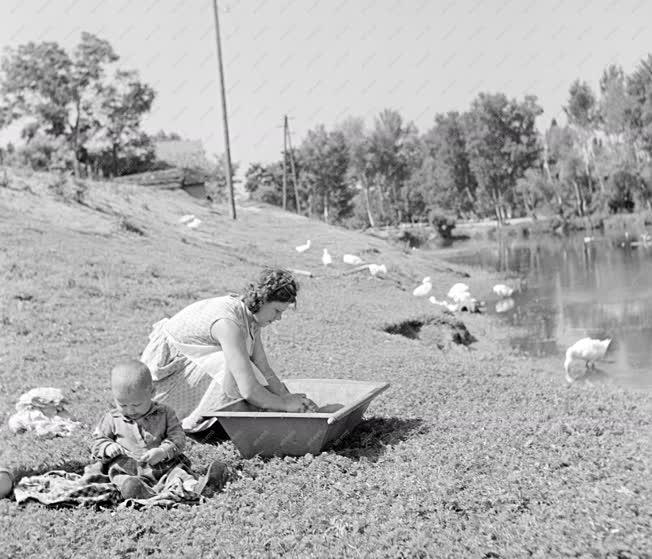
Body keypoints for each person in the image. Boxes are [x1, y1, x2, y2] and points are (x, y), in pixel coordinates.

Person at [140, 267, 318, 433]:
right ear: (262, 300)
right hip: (166, 382)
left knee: (249, 369)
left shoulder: (251, 319)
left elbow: (263, 366)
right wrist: (283, 404)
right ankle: (194, 421)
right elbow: (248, 387)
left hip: (192, 365)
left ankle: (242, 414)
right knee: (232, 367)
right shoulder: (228, 323)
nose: (278, 318)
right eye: (277, 310)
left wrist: (288, 397)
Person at [91, 359, 227, 500]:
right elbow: (97, 442)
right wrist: (108, 447)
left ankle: (199, 487)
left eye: (137, 404)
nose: (130, 410)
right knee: (124, 481)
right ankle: (139, 492)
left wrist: (163, 451)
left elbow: (178, 437)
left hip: (164, 466)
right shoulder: (112, 418)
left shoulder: (165, 413)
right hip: (129, 470)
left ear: (152, 392)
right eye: (123, 405)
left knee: (178, 474)